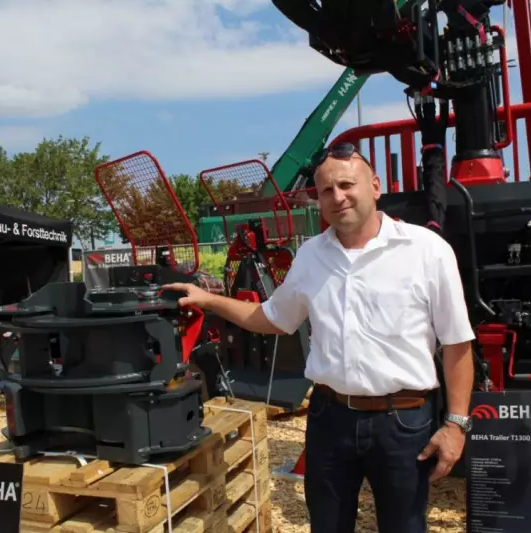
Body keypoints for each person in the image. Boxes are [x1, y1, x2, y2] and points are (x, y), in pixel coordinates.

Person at [162, 143, 475, 533]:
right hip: (331, 421)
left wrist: (456, 425)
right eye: (326, 190)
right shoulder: (311, 256)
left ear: (375, 186)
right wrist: (209, 299)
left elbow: (457, 343)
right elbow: (272, 318)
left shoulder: (426, 250)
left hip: (403, 423)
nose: (337, 197)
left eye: (346, 184)